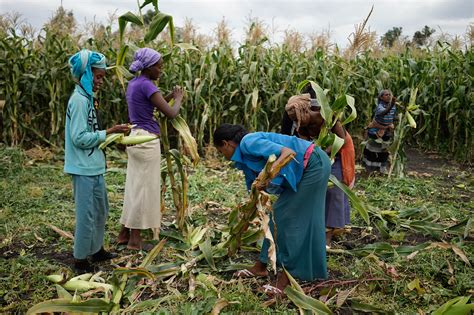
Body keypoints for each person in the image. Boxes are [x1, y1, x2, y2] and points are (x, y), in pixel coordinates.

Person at [214, 124, 331, 295]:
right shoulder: (243, 160)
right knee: (275, 215)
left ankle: (285, 280)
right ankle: (261, 266)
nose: (223, 156)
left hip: (314, 164)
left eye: (220, 151)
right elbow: (255, 192)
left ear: (226, 143)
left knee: (286, 217)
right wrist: (244, 221)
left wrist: (269, 175)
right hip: (307, 168)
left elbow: (288, 153)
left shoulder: (249, 142)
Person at [64, 49, 130, 273]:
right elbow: (79, 138)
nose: (102, 81)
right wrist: (108, 132)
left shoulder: (88, 98)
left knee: (101, 209)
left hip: (93, 167)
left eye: (103, 76)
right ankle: (80, 259)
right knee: (86, 214)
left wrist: (111, 135)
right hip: (82, 168)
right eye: (98, 76)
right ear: (86, 75)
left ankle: (96, 249)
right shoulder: (79, 101)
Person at [117, 48, 184, 250]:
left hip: (135, 138)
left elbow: (152, 104)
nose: (161, 70)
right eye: (159, 66)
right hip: (146, 142)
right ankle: (135, 241)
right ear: (149, 67)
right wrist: (178, 97)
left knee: (134, 187)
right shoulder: (147, 85)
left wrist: (169, 94)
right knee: (144, 190)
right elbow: (171, 113)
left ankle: (124, 233)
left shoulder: (135, 84)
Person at [282, 84, 355, 247]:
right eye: (294, 120)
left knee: (334, 188)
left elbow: (340, 140)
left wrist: (324, 153)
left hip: (337, 150)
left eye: (298, 118)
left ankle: (327, 234)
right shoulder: (300, 123)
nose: (297, 123)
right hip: (317, 152)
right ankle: (312, 226)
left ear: (306, 111)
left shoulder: (327, 117)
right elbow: (303, 143)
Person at [363, 89, 397, 173]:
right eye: (386, 95)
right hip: (375, 132)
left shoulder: (392, 107)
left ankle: (381, 171)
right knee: (373, 152)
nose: (389, 96)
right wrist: (391, 105)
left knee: (384, 152)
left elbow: (392, 116)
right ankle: (370, 171)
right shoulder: (380, 107)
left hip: (386, 133)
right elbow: (383, 113)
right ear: (381, 98)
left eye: (389, 94)